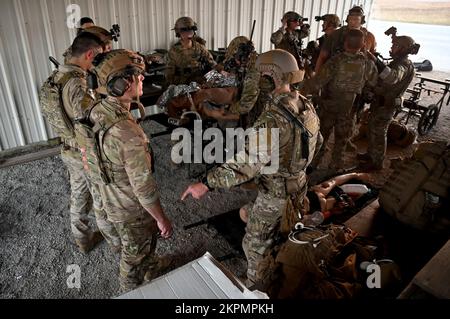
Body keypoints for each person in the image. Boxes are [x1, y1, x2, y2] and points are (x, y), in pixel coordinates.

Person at [181, 49, 322, 288]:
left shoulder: (273, 118)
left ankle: (257, 288)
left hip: (277, 193)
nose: (256, 80)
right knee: (254, 217)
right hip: (298, 184)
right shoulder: (305, 105)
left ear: (271, 77)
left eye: (260, 76)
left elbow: (244, 165)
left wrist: (205, 183)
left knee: (254, 243)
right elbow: (316, 142)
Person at [90, 49, 173, 291]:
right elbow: (143, 188)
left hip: (108, 198)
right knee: (133, 257)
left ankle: (152, 267)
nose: (142, 79)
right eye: (138, 75)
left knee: (140, 248)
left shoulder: (98, 109)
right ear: (122, 83)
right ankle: (130, 291)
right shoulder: (127, 133)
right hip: (130, 210)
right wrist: (162, 219)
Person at [40, 32, 121, 253]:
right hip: (86, 153)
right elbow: (91, 121)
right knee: (101, 200)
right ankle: (117, 245)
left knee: (78, 196)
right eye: (99, 57)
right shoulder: (77, 83)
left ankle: (82, 240)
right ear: (89, 54)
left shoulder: (55, 78)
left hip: (68, 148)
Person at [300, 29, 378, 171]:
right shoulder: (368, 63)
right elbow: (372, 83)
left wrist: (301, 87)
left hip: (329, 107)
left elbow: (318, 83)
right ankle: (335, 166)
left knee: (321, 137)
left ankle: (313, 164)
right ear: (362, 45)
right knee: (341, 141)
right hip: (350, 110)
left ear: (345, 43)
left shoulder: (336, 61)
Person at [359, 34, 419, 170]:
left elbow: (391, 77)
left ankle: (376, 162)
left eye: (395, 46)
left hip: (387, 105)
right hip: (380, 102)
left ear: (404, 49)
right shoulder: (398, 62)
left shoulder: (403, 65)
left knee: (379, 132)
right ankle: (371, 155)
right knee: (372, 129)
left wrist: (375, 60)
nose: (392, 48)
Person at [315, 6, 376, 73]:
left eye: (356, 19)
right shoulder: (336, 35)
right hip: (336, 76)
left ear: (361, 21)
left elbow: (373, 60)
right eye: (350, 19)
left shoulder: (369, 37)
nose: (352, 22)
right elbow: (322, 57)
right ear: (347, 19)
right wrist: (317, 77)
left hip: (359, 78)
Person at [166, 17, 217, 85]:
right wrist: (188, 81)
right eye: (185, 31)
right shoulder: (173, 51)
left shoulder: (199, 47)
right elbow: (169, 77)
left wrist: (221, 70)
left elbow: (211, 62)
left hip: (200, 84)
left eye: (191, 30)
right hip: (182, 86)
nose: (188, 33)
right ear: (178, 33)